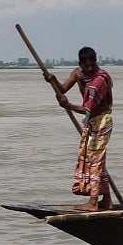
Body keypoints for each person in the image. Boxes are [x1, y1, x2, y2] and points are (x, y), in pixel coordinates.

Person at [46, 47, 114, 211]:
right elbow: (62, 89)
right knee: (96, 159)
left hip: (102, 121)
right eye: (87, 66)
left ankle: (93, 202)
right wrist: (52, 80)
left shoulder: (100, 79)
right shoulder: (78, 74)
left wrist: (67, 105)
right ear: (80, 64)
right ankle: (107, 200)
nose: (90, 69)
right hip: (91, 122)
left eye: (93, 65)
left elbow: (88, 109)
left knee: (95, 160)